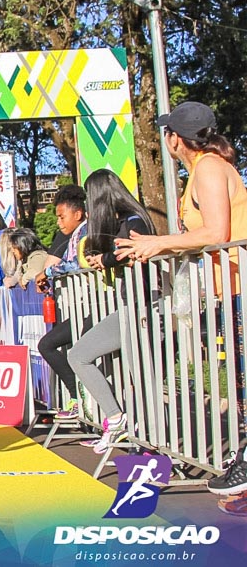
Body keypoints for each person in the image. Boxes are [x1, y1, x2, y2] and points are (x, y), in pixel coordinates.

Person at [113, 101, 247, 510]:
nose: (164, 141)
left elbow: (217, 231)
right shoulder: (205, 169)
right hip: (231, 289)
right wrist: (156, 247)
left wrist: (159, 242)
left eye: (166, 133)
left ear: (176, 139)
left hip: (240, 287)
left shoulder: (207, 168)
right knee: (239, 382)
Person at [66, 168, 155, 454]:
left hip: (144, 308)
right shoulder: (128, 220)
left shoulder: (134, 221)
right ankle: (121, 420)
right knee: (80, 355)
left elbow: (127, 253)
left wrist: (105, 259)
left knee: (137, 375)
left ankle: (133, 429)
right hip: (132, 307)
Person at [35, 185, 88, 418]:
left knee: (48, 345)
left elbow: (79, 264)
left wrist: (49, 272)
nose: (58, 222)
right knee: (56, 347)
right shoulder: (73, 235)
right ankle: (79, 399)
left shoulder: (85, 232)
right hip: (81, 307)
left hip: (92, 307)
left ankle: (78, 397)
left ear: (77, 214)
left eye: (61, 216)